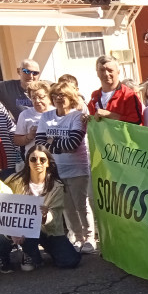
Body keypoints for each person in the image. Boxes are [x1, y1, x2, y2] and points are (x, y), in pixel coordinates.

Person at [37, 82, 96, 254]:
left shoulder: (77, 116)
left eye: (63, 95)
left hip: (78, 168)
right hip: (55, 170)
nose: (59, 99)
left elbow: (73, 143)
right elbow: (41, 145)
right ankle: (77, 237)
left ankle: (90, 237)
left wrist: (52, 142)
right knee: (67, 207)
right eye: (55, 95)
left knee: (81, 205)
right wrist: (56, 145)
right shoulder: (46, 117)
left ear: (71, 98)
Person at [4, 146, 80, 272]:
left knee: (70, 261)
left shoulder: (57, 185)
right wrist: (12, 230)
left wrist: (45, 215)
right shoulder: (14, 181)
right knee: (29, 239)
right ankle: (29, 253)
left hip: (49, 230)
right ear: (27, 162)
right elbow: (2, 202)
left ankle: (46, 250)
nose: (37, 163)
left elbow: (55, 214)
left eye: (42, 160)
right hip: (24, 229)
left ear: (48, 162)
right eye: (33, 159)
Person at [88, 55, 143, 124]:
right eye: (102, 70)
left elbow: (137, 122)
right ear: (97, 72)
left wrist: (110, 115)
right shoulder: (95, 96)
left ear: (118, 71)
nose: (106, 74)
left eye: (110, 70)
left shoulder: (128, 95)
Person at [13, 80, 52, 168]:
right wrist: (29, 136)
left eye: (41, 97)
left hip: (55, 160)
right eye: (33, 98)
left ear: (49, 97)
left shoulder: (57, 112)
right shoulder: (25, 115)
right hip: (35, 161)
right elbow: (17, 140)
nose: (37, 101)